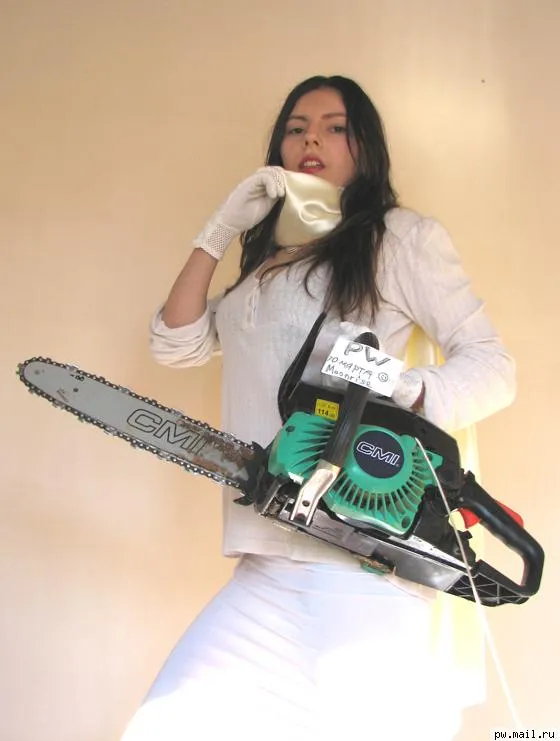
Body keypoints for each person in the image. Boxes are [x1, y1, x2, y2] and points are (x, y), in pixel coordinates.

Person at [120, 75, 516, 741]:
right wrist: (220, 229)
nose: (312, 140)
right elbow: (175, 341)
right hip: (265, 568)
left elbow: (493, 366)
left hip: (358, 574)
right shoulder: (268, 263)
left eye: (335, 127)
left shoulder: (398, 238)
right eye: (297, 127)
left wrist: (402, 392)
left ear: (365, 147)